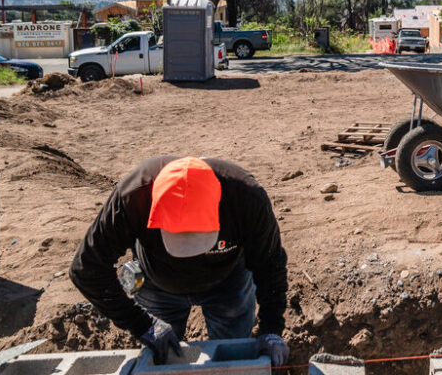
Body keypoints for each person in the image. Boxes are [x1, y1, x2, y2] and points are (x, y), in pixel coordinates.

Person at [69, 156, 290, 366]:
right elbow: (87, 268)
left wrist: (272, 330)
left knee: (232, 356)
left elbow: (270, 265)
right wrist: (142, 325)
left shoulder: (245, 199)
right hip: (157, 284)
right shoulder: (134, 197)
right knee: (161, 360)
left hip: (228, 283)